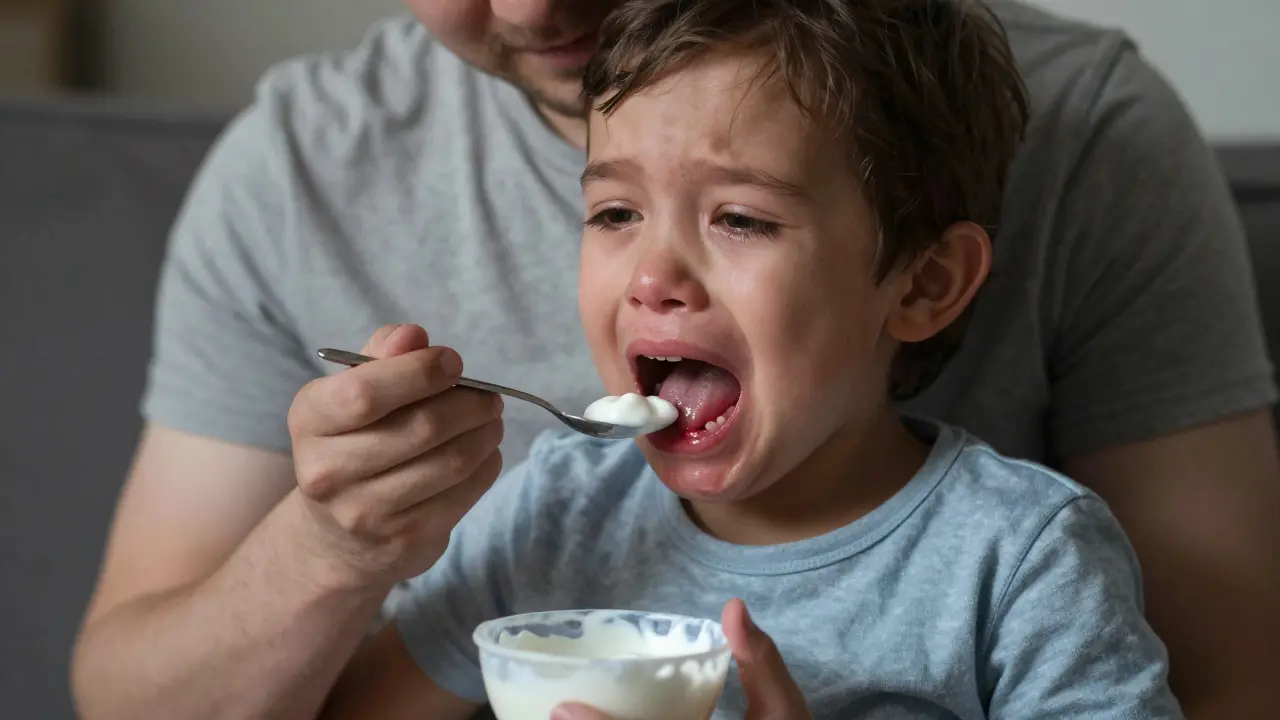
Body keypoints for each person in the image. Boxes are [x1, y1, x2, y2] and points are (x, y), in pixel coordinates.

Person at [69, 0, 1278, 717]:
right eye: (610, 215)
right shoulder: (554, 515)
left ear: (921, 284)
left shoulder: (1020, 556)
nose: (653, 274)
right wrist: (332, 547)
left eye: (740, 220)